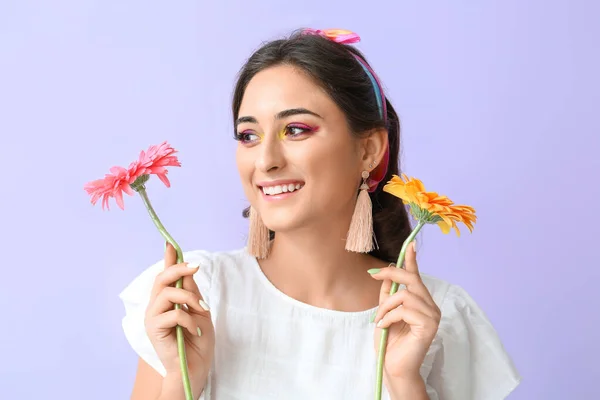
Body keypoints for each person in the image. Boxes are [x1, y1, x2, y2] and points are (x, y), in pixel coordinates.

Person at [119, 28, 521, 400]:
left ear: (368, 151)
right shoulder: (196, 295)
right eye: (248, 135)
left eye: (295, 129)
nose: (266, 161)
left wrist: (404, 381)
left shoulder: (438, 318)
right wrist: (181, 379)